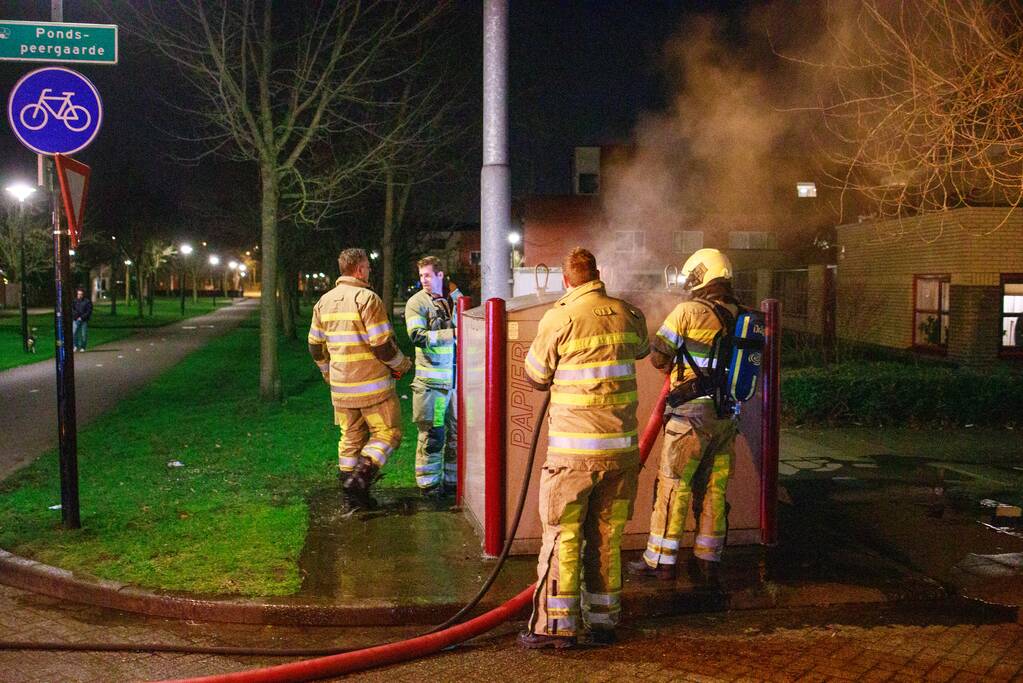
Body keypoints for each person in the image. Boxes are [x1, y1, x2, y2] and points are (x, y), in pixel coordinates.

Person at [518, 247, 648, 649]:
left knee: (563, 536)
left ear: (566, 279)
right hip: (622, 454)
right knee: (608, 536)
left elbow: (536, 374)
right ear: (597, 274)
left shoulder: (561, 316)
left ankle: (557, 629)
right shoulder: (628, 312)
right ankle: (604, 620)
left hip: (573, 456)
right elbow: (642, 349)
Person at [628, 247, 742, 584]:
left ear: (703, 276)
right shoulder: (740, 315)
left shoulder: (687, 311)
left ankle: (660, 561)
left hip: (689, 418)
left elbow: (659, 357)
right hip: (725, 418)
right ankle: (709, 557)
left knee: (673, 487)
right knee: (714, 490)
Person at [308, 248, 411, 510]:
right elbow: (382, 344)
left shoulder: (323, 302)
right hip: (373, 389)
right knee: (388, 433)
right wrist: (402, 364)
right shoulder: (367, 299)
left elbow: (314, 345)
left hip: (341, 389)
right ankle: (361, 479)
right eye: (367, 267)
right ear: (359, 270)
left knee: (350, 438)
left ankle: (352, 500)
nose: (369, 271)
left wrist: (326, 371)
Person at [404, 256, 462, 498]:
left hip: (457, 386)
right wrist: (454, 334)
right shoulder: (416, 303)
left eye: (427, 275)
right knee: (433, 436)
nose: (423, 280)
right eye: (421, 276)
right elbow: (417, 336)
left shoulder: (457, 300)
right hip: (434, 389)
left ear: (440, 275)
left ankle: (452, 485)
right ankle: (428, 489)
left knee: (457, 437)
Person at [72, 287, 93, 352]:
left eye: (81, 294)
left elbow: (89, 311)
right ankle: (75, 346)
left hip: (84, 320)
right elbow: (72, 309)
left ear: (83, 295)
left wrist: (82, 317)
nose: (79, 295)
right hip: (76, 319)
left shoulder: (87, 302)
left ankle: (83, 347)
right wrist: (76, 316)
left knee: (83, 334)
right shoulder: (74, 301)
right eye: (78, 294)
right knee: (74, 333)